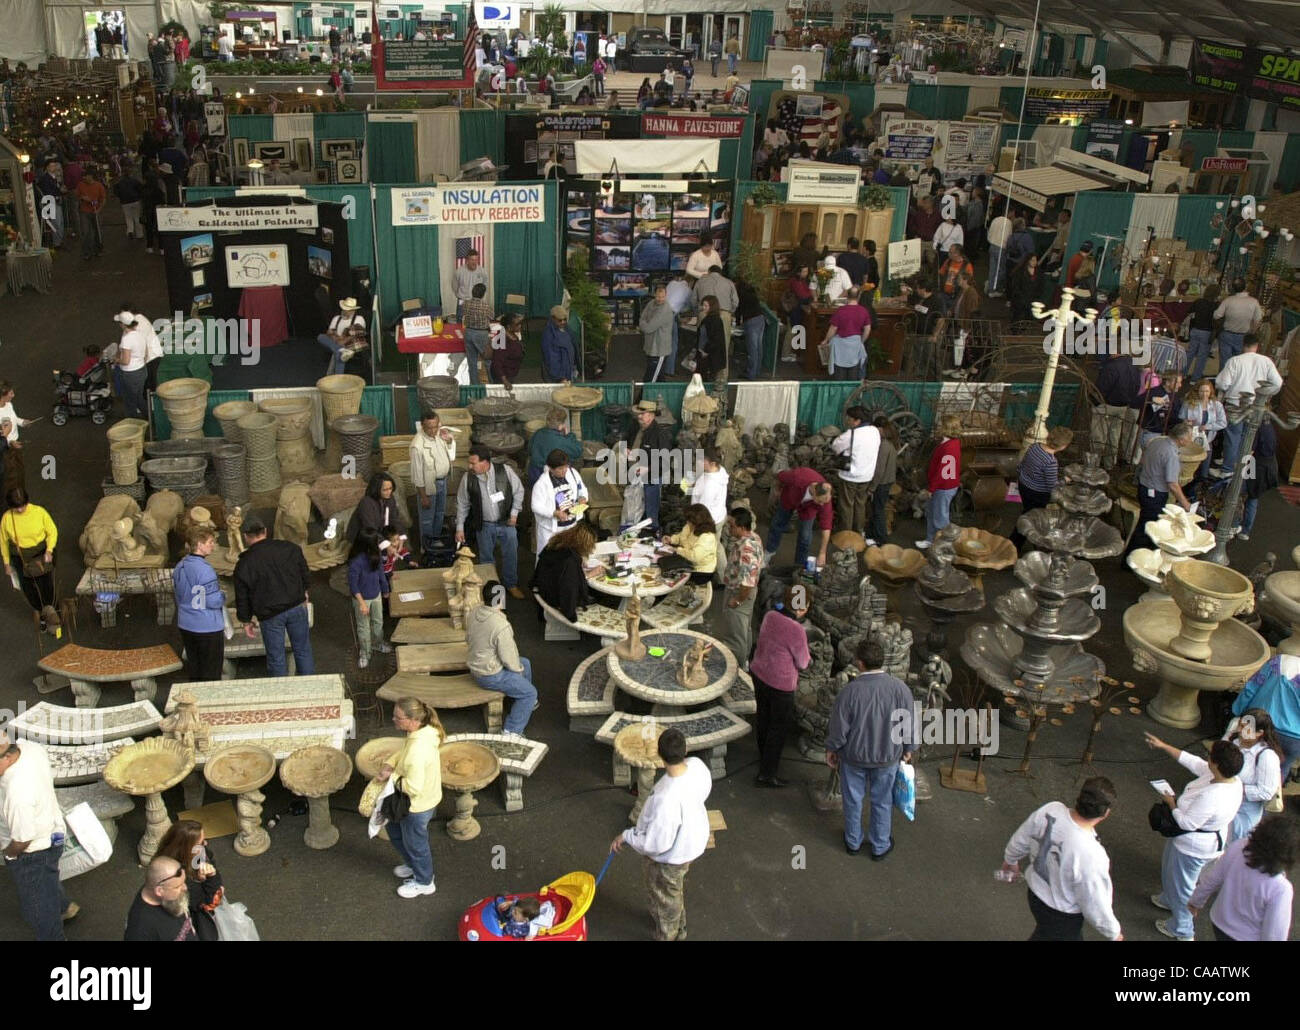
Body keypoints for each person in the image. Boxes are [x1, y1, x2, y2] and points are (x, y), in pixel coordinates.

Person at [609, 727, 711, 941]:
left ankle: (668, 935)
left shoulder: (666, 797)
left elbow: (656, 843)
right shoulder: (697, 766)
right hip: (692, 841)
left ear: (660, 754)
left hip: (672, 857)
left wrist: (627, 837)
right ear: (685, 750)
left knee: (665, 898)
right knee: (674, 891)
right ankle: (679, 928)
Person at [1142, 734, 1244, 941]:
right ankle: (1168, 898)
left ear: (1215, 764)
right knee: (1172, 874)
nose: (1206, 758)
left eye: (1210, 756)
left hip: (1193, 846)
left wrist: (1171, 803)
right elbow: (1192, 761)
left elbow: (1187, 823)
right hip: (1193, 842)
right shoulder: (1230, 780)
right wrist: (1164, 744)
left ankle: (1183, 929)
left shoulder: (1213, 796)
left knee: (1183, 888)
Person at [1000, 778, 1123, 941]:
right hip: (1061, 914)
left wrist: (1011, 860)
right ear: (1105, 813)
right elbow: (1095, 901)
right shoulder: (1093, 855)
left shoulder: (1051, 809)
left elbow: (1023, 835)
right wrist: (1113, 933)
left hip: (1035, 894)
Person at [826, 638, 914, 859]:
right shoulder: (900, 689)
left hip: (853, 758)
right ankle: (880, 846)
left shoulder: (849, 692)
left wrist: (832, 749)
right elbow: (908, 722)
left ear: (860, 663)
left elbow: (839, 729)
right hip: (887, 758)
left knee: (853, 800)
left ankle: (853, 842)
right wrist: (908, 747)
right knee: (882, 801)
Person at [0, 731, 75, 940]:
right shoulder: (31, 749)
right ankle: (63, 907)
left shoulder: (17, 795)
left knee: (38, 909)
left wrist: (9, 855)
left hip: (32, 852)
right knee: (48, 876)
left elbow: (22, 840)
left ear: (7, 757)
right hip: (53, 832)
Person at [1188, 815, 1298, 942]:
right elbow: (1275, 931)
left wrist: (1195, 901)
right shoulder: (1281, 888)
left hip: (1219, 921)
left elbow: (1212, 879)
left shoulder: (1239, 847)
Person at [377, 697, 444, 898]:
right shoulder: (421, 733)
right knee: (395, 830)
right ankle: (413, 866)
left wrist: (392, 776)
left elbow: (412, 787)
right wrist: (391, 762)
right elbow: (403, 752)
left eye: (398, 718)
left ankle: (424, 882)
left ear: (413, 719)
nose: (393, 720)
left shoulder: (418, 749)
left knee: (416, 845)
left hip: (416, 805)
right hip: (421, 799)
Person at [233, 516, 314, 677]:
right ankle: (310, 689)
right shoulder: (290, 548)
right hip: (296, 606)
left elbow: (242, 596)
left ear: (245, 536)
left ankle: (281, 695)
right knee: (303, 650)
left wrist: (246, 620)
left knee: (276, 657)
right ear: (265, 531)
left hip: (270, 616)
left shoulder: (244, 563)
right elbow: (305, 573)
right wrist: (304, 591)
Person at [750, 586, 811, 787]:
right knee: (778, 728)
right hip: (780, 684)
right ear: (803, 607)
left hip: (760, 674)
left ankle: (763, 757)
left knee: (763, 719)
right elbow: (802, 662)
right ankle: (767, 773)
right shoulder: (797, 630)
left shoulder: (770, 616)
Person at [467, 581, 538, 733]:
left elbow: (468, 638)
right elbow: (509, 658)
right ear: (500, 599)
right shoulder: (501, 625)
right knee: (530, 693)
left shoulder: (473, 613)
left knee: (525, 662)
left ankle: (519, 702)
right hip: (490, 675)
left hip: (476, 665)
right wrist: (517, 670)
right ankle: (511, 731)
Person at [456, 445, 524, 598]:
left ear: (485, 463)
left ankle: (511, 584)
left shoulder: (505, 471)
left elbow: (519, 491)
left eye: (473, 463)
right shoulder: (468, 478)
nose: (470, 466)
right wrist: (459, 527)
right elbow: (462, 503)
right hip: (484, 525)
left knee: (510, 554)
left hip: (506, 523)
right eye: (470, 463)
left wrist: (514, 513)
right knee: (486, 559)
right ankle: (493, 591)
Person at [1124, 422, 1194, 558]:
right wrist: (1185, 503)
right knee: (1147, 528)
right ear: (1181, 439)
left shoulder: (1157, 441)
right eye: (1190, 437)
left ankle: (1140, 557)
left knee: (1147, 526)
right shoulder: (1171, 454)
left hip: (1144, 487)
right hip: (1154, 494)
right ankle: (1133, 559)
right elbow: (1172, 483)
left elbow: (1143, 461)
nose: (1191, 439)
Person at [1215, 335, 1281, 476]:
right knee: (1247, 438)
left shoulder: (1235, 361)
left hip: (1235, 404)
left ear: (1243, 345)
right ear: (1257, 346)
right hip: (1256, 406)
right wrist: (1265, 394)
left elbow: (1222, 383)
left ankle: (1227, 469)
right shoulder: (1266, 361)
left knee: (1233, 437)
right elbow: (1278, 383)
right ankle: (1239, 467)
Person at [1231, 655, 1300, 786]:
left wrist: (1238, 711)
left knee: (1239, 763)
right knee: (1276, 776)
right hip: (1294, 739)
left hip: (1256, 723)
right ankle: (1268, 803)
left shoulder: (1279, 661)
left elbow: (1250, 688)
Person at [1, 486, 59, 631]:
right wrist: (6, 563)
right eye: (17, 508)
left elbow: (52, 531)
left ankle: (52, 610)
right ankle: (41, 614)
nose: (20, 510)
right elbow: (3, 542)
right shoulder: (7, 519)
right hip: (21, 558)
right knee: (28, 588)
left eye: (22, 506)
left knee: (46, 585)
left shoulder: (39, 512)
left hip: (41, 554)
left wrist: (50, 550)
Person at [155, 819, 224, 941]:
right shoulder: (178, 879)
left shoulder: (196, 853)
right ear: (187, 848)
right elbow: (209, 902)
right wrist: (212, 876)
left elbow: (210, 858)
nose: (206, 844)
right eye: (201, 842)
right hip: (192, 920)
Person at [1223, 709, 1283, 844]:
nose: (1239, 730)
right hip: (1223, 806)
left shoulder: (1267, 757)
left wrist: (1233, 786)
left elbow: (1266, 792)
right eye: (1240, 725)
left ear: (1259, 733)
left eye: (1245, 728)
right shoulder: (1233, 741)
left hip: (1243, 815)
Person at [173, 526, 226, 681]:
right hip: (207, 626)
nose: (213, 545)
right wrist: (222, 595)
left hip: (186, 624)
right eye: (210, 542)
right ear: (199, 544)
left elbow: (178, 595)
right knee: (211, 671)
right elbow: (212, 601)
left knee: (195, 668)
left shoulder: (179, 566)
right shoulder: (205, 569)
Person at [1010, 426, 1072, 551]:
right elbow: (1052, 486)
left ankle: (1019, 542)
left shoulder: (1035, 446)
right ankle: (1013, 545)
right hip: (1037, 493)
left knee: (1028, 512)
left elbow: (1022, 465)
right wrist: (1065, 480)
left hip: (1024, 485)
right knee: (1032, 517)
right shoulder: (1051, 462)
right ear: (1063, 446)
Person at [717, 507, 762, 666]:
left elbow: (747, 583)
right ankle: (746, 659)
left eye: (732, 525)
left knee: (736, 635)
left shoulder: (746, 550)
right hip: (745, 592)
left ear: (742, 528)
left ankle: (737, 667)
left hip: (740, 593)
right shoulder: (754, 537)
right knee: (745, 629)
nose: (729, 528)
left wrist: (737, 600)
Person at [766, 467, 833, 571]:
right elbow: (780, 476)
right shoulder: (797, 477)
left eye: (824, 502)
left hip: (808, 509)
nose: (822, 505)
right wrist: (778, 489)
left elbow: (826, 526)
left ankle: (798, 567)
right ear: (814, 491)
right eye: (820, 501)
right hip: (789, 498)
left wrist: (822, 552)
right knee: (777, 524)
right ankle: (769, 552)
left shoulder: (825, 500)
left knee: (805, 537)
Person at [830, 405, 881, 537]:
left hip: (850, 476)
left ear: (857, 421)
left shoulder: (851, 434)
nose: (847, 421)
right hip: (867, 475)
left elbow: (836, 446)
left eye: (849, 418)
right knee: (860, 504)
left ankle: (846, 535)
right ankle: (858, 532)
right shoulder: (875, 431)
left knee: (847, 505)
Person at [408, 412, 455, 553]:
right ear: (422, 426)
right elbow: (417, 475)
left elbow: (450, 451)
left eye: (436, 426)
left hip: (442, 482)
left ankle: (436, 539)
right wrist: (423, 496)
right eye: (429, 428)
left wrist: (449, 440)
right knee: (427, 519)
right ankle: (426, 547)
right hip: (429, 486)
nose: (433, 430)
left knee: (439, 513)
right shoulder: (417, 446)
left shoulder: (439, 436)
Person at [532, 521, 595, 623]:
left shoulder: (555, 544)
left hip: (543, 587)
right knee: (596, 595)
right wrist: (588, 575)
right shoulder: (570, 560)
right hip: (554, 597)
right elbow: (569, 588)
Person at [124, 856, 198, 940]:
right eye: (178, 887)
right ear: (159, 891)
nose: (185, 888)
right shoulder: (139, 929)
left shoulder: (166, 890)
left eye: (183, 882)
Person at [625, 400, 673, 531]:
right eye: (639, 413)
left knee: (651, 509)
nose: (639, 416)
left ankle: (653, 533)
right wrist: (628, 449)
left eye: (643, 414)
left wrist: (648, 468)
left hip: (651, 478)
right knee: (635, 507)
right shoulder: (635, 427)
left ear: (651, 415)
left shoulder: (660, 434)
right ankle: (636, 531)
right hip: (635, 475)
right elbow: (628, 441)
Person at [347, 527, 391, 668]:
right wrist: (362, 603)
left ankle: (377, 644)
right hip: (362, 599)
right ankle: (365, 653)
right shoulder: (355, 562)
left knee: (378, 622)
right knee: (363, 628)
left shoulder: (375, 555)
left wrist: (385, 589)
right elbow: (354, 586)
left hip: (376, 594)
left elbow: (381, 573)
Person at [531, 449, 588, 553]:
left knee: (570, 557)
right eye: (560, 468)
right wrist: (554, 513)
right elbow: (535, 506)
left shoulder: (573, 473)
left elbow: (582, 488)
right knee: (549, 558)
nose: (564, 470)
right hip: (552, 530)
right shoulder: (541, 484)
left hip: (571, 526)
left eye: (566, 467)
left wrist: (583, 497)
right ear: (551, 468)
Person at [1093, 351, 1142, 468]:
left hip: (1106, 406)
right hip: (1123, 407)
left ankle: (1094, 464)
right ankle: (1110, 464)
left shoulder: (1111, 366)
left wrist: (1096, 402)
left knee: (1099, 436)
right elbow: (1137, 387)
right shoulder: (1134, 366)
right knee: (1114, 436)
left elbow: (1102, 387)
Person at [919, 415, 962, 549]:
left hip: (943, 488)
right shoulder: (952, 443)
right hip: (943, 486)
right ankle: (930, 540)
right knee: (932, 513)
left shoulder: (947, 448)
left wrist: (931, 489)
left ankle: (945, 547)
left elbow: (942, 473)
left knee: (941, 519)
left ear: (946, 428)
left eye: (940, 425)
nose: (938, 427)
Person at [1236, 418, 1278, 541]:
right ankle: (1245, 530)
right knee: (1253, 498)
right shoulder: (1269, 426)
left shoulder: (1257, 428)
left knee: (1240, 494)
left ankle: (1236, 526)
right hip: (1269, 467)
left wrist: (1239, 466)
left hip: (1256, 467)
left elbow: (1249, 451)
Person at [1180, 379, 1226, 481]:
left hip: (1207, 439)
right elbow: (1181, 416)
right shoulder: (1189, 403)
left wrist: (1208, 426)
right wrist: (1186, 422)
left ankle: (1201, 482)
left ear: (1210, 392)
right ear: (1197, 391)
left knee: (1205, 462)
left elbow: (1223, 423)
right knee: (1191, 463)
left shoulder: (1216, 405)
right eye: (1202, 391)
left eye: (1207, 391)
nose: (1204, 394)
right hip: (1191, 437)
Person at [665, 504, 717, 590]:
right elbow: (681, 536)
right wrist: (671, 539)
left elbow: (695, 556)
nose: (687, 523)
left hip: (701, 571)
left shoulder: (707, 537)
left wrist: (678, 550)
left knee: (670, 579)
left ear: (697, 522)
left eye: (689, 521)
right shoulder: (690, 526)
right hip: (688, 563)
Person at [1213, 278, 1263, 368]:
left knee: (1225, 363)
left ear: (1233, 288)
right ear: (1245, 286)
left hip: (1227, 335)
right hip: (1243, 336)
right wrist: (1252, 332)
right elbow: (1258, 320)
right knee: (1239, 363)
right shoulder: (1254, 302)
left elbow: (1216, 315)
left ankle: (1224, 381)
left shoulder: (1228, 300)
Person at [527, 407, 582, 488]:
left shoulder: (538, 433)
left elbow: (529, 450)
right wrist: (569, 436)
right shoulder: (562, 441)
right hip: (552, 478)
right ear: (560, 426)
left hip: (534, 474)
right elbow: (578, 451)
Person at [867, 415, 898, 544]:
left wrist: (871, 488)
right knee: (877, 509)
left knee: (878, 511)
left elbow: (879, 470)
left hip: (882, 483)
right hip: (888, 480)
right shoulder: (891, 443)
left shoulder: (884, 445)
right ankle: (872, 534)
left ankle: (880, 539)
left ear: (880, 429)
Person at [318, 296, 366, 376]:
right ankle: (339, 350)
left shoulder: (359, 319)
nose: (347, 311)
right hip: (335, 342)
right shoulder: (336, 318)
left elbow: (356, 334)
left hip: (349, 343)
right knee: (321, 337)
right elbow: (329, 332)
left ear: (353, 310)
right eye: (345, 309)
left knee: (338, 353)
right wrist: (337, 339)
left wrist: (343, 340)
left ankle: (338, 376)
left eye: (349, 310)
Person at [1135, 369, 1184, 446]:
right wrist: (1151, 399)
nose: (1180, 385)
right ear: (1167, 382)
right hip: (1150, 433)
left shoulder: (1175, 398)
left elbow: (1175, 416)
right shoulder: (1154, 392)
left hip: (1166, 434)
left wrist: (1183, 421)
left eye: (1180, 382)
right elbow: (1135, 402)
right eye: (1177, 382)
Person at [1181, 284, 1220, 380]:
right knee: (1201, 357)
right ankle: (1195, 379)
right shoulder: (1217, 305)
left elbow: (1189, 312)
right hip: (1207, 332)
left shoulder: (1199, 301)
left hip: (1195, 330)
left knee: (1190, 354)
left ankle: (1182, 375)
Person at [639, 284, 675, 382]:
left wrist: (644, 325)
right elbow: (642, 318)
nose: (660, 299)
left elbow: (648, 328)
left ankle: (643, 396)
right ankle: (660, 396)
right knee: (658, 376)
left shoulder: (665, 310)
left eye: (662, 297)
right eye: (658, 296)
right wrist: (644, 324)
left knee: (650, 378)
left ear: (666, 295)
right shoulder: (651, 303)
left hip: (659, 350)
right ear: (654, 295)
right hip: (650, 347)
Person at [461, 282, 493, 386]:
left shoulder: (465, 303)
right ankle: (492, 384)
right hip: (481, 334)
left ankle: (474, 386)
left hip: (468, 332)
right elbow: (492, 317)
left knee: (472, 362)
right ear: (483, 294)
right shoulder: (485, 306)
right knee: (488, 360)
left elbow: (463, 314)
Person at [735, 279, 765, 381]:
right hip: (761, 319)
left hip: (751, 321)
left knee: (752, 349)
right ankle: (757, 371)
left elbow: (739, 311)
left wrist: (738, 323)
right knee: (758, 347)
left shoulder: (741, 295)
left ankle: (751, 374)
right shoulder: (752, 293)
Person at [75, 165, 105, 260]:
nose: (84, 178)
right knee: (85, 232)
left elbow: (102, 199)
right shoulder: (80, 185)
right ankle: (86, 252)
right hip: (84, 212)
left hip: (95, 211)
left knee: (98, 231)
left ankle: (98, 249)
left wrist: (98, 209)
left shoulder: (98, 186)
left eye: (86, 176)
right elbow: (77, 196)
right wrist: (82, 198)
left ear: (91, 176)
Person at [541, 306, 576, 382]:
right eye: (560, 320)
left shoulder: (567, 329)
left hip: (568, 372)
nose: (563, 322)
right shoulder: (549, 335)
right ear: (553, 318)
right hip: (557, 377)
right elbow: (551, 359)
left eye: (565, 319)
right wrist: (560, 377)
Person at [491, 312, 525, 388]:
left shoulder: (513, 335)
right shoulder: (502, 339)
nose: (520, 326)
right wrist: (505, 381)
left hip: (511, 374)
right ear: (509, 326)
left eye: (520, 323)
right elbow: (497, 362)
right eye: (517, 324)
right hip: (504, 378)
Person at [453, 249, 488, 323]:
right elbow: (454, 286)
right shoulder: (459, 271)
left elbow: (485, 285)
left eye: (476, 260)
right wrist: (459, 295)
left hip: (477, 301)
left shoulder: (482, 271)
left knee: (476, 321)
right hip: (462, 301)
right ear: (467, 260)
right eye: (472, 260)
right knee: (460, 320)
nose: (474, 262)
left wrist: (480, 297)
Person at [113, 161, 144, 241]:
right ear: (130, 173)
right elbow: (140, 189)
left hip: (125, 202)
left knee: (128, 217)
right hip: (135, 201)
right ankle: (139, 234)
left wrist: (120, 197)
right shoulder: (134, 181)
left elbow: (116, 192)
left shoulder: (119, 183)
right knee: (137, 218)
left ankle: (130, 230)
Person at [986, 207, 1012, 297]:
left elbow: (989, 232)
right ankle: (997, 288)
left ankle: (990, 289)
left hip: (992, 246)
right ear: (1010, 213)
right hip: (1001, 248)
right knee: (1001, 270)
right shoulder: (1008, 223)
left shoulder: (995, 219)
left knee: (992, 269)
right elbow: (1008, 238)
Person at [1007, 253, 1039, 324]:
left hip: (1031, 300)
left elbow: (1040, 286)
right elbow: (1016, 286)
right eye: (1032, 260)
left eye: (1035, 260)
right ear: (1028, 261)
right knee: (1017, 317)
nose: (1034, 262)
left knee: (1028, 318)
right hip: (1020, 300)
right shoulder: (1020, 273)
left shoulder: (1038, 273)